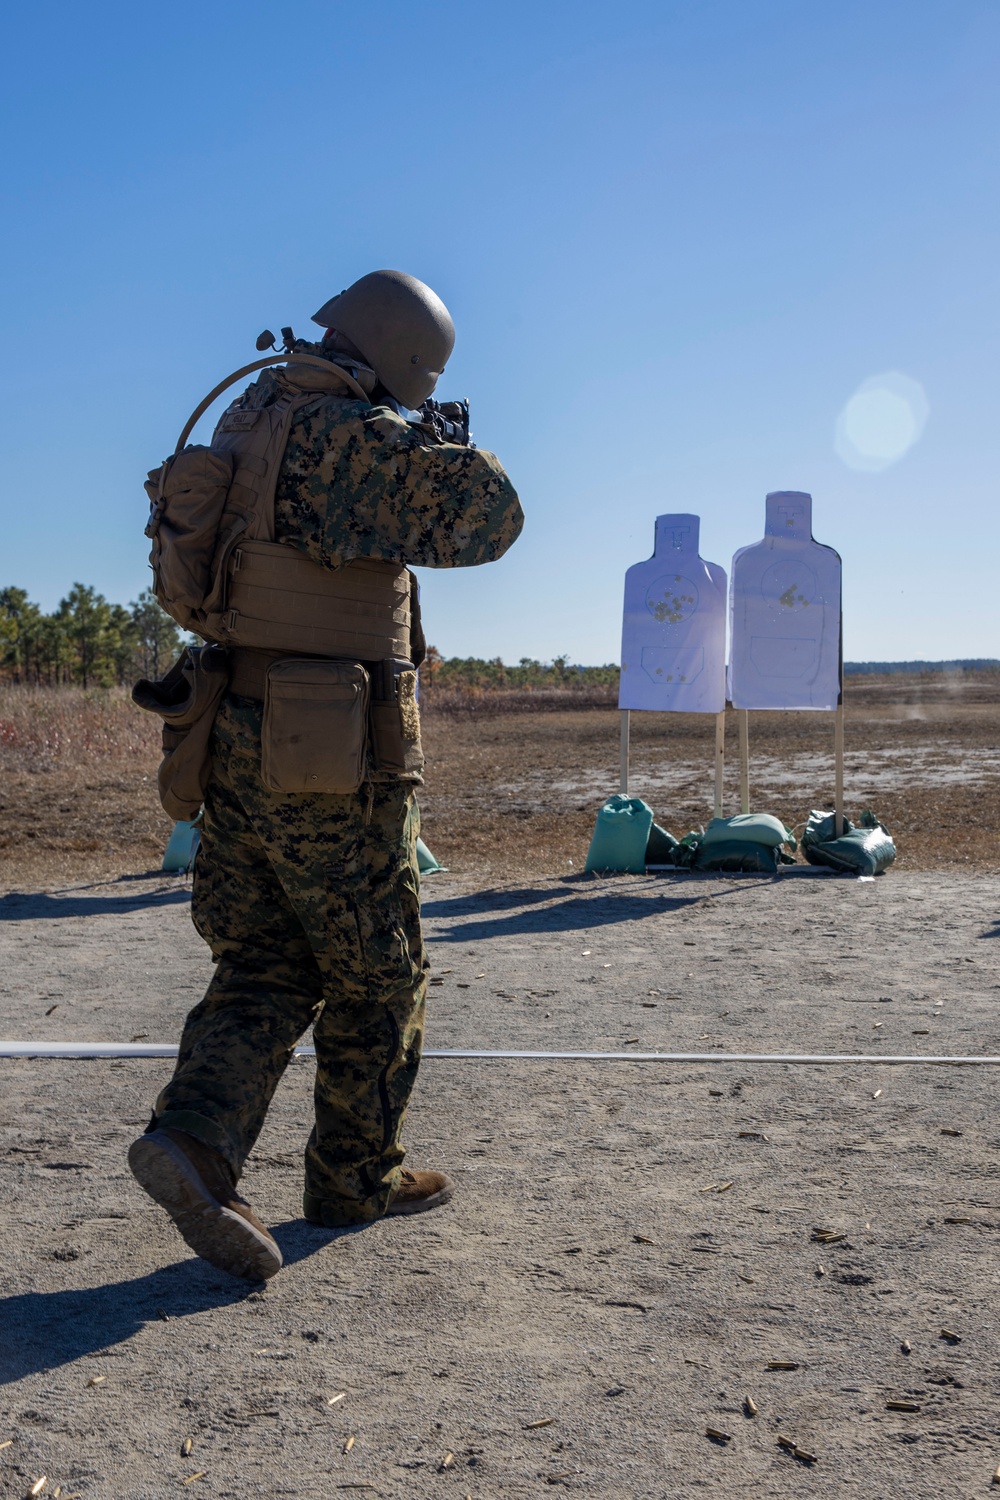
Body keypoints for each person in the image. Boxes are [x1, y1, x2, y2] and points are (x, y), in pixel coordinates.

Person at [128, 270, 523, 1281]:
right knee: (378, 972)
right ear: (401, 357)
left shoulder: (253, 414)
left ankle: (194, 1142)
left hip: (231, 737)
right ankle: (354, 1177)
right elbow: (492, 516)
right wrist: (435, 438)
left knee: (265, 959)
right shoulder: (346, 436)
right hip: (327, 750)